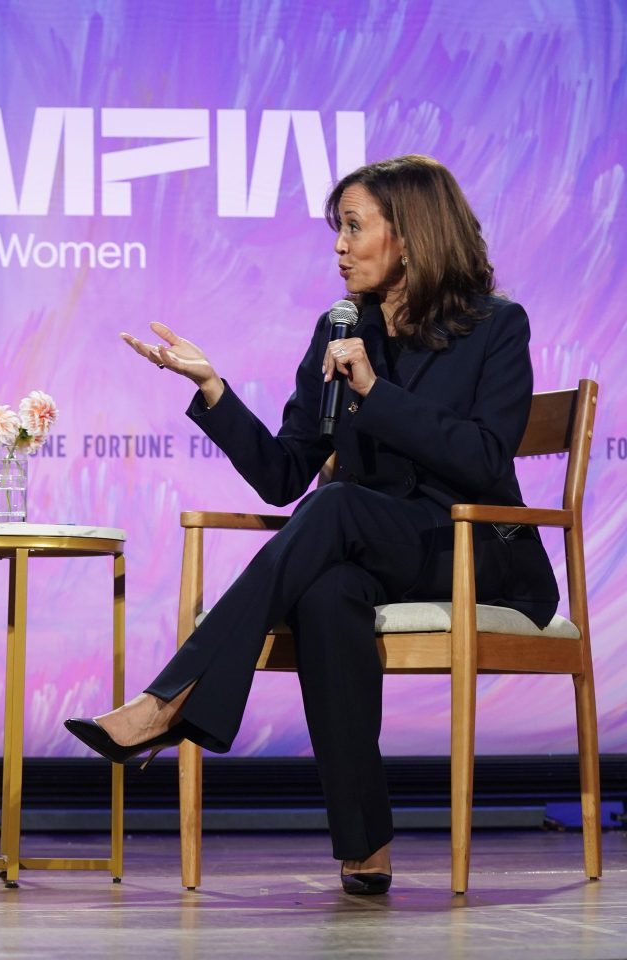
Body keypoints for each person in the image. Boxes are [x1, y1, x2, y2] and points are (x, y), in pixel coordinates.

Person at [65, 154, 558, 895]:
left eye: (354, 227)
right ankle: (365, 843)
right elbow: (283, 474)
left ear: (412, 235)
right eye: (338, 229)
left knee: (334, 507)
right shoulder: (341, 326)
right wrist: (214, 389)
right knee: (326, 593)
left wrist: (375, 391)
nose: (339, 246)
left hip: (470, 546)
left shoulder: (494, 326)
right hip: (372, 542)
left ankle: (171, 700)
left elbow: (487, 458)